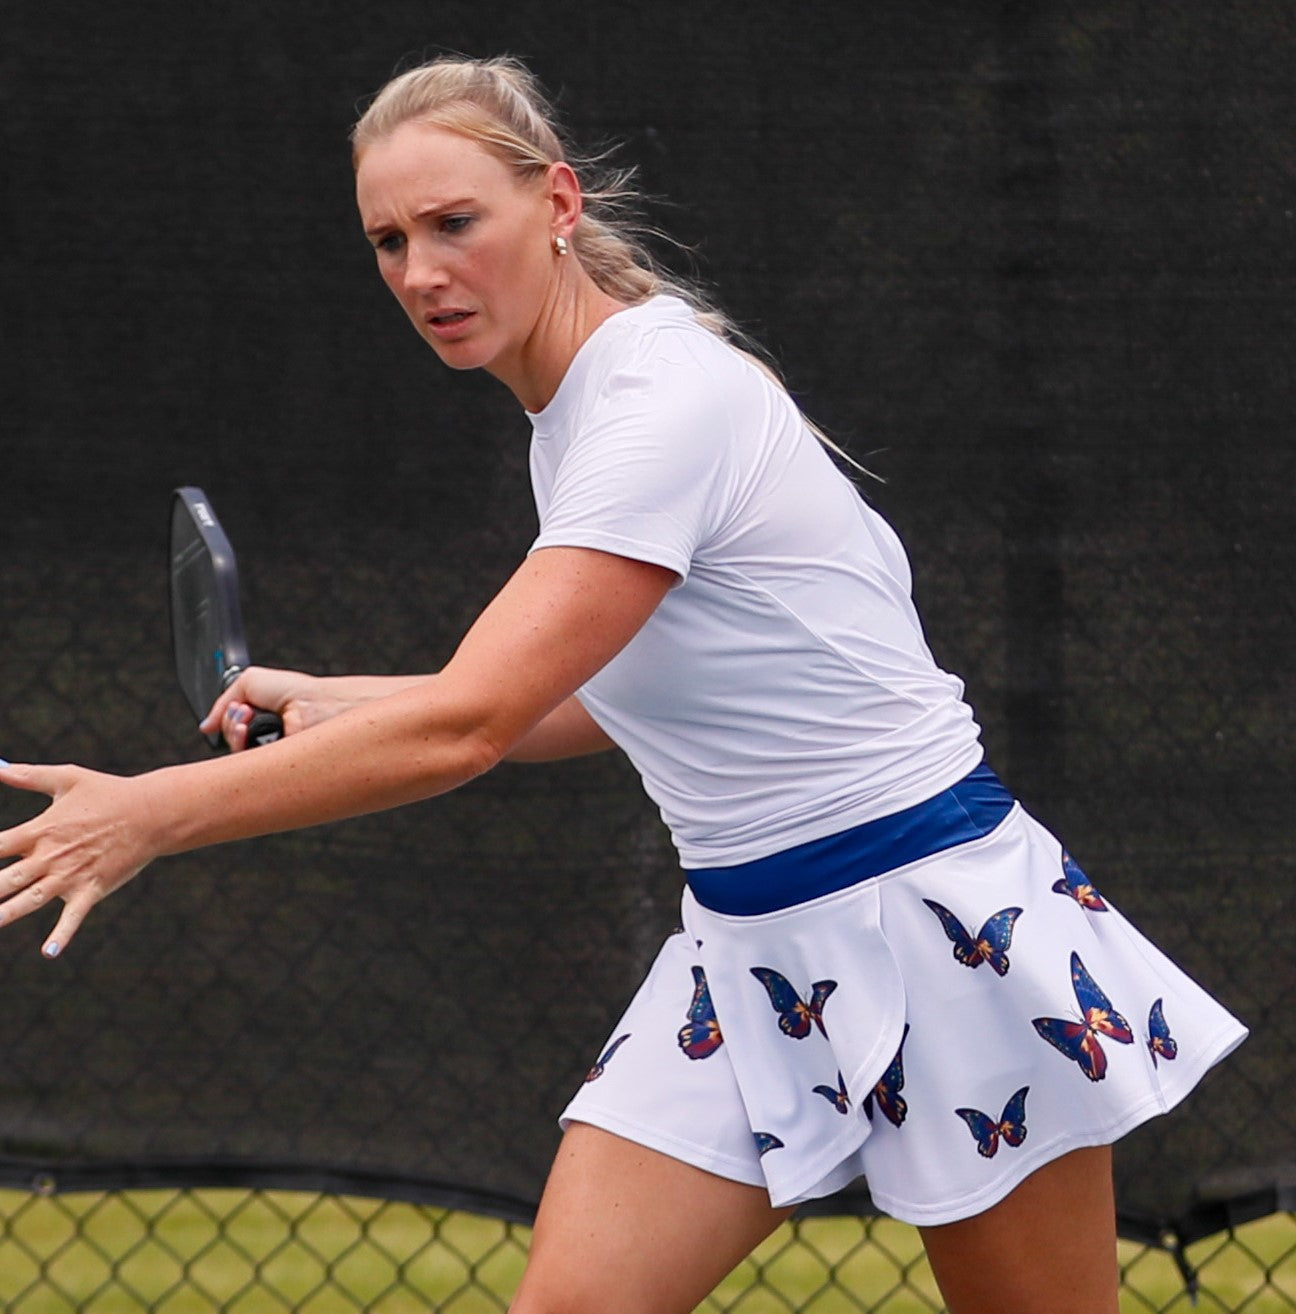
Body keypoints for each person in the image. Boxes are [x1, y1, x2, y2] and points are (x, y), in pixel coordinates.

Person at [0, 54, 1245, 1314]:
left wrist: (148, 813)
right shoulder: (577, 413)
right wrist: (349, 698)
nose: (422, 273)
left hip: (937, 920)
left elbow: (472, 725)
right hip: (745, 948)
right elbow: (615, 692)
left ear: (556, 204)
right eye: (389, 241)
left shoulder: (659, 402)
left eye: (453, 223)